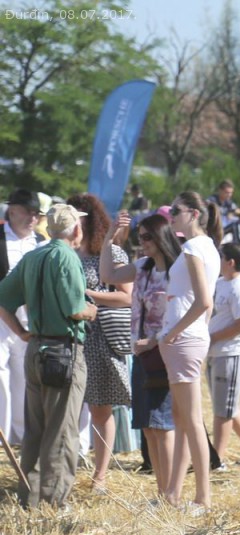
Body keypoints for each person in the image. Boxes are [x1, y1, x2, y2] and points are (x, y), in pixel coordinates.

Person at [0, 204, 96, 509]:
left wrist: (21, 332)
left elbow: (3, 298)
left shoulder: (33, 255)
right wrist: (92, 310)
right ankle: (53, 504)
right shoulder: (67, 257)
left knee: (36, 430)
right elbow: (75, 309)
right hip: (62, 352)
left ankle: (29, 497)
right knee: (62, 432)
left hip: (36, 349)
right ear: (76, 229)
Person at [106, 211, 177, 499]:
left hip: (164, 352)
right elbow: (108, 275)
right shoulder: (142, 267)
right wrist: (110, 238)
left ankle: (171, 494)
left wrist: (155, 341)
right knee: (147, 426)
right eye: (139, 236)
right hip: (141, 353)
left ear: (161, 237)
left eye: (147, 237)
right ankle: (162, 493)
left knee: (163, 425)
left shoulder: (177, 270)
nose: (142, 242)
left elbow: (184, 313)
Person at [159, 192, 222, 512]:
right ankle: (173, 492)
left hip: (183, 339)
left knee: (192, 420)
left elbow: (204, 301)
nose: (171, 216)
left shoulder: (195, 248)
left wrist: (173, 332)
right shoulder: (204, 247)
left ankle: (203, 497)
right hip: (189, 337)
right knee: (182, 417)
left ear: (194, 214)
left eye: (176, 210)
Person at [67, 193, 132, 495]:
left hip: (100, 340)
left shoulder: (111, 253)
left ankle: (100, 476)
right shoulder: (65, 253)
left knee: (100, 410)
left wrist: (89, 295)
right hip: (69, 338)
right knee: (68, 409)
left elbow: (128, 296)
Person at [0, 189, 47, 446]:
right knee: (1, 376)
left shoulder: (40, 242)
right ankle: (3, 437)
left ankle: (20, 436)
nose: (33, 218)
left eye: (36, 214)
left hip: (29, 318)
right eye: (28, 212)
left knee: (25, 376)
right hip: (1, 317)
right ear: (12, 210)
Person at [208, 243, 240, 468]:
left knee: (223, 410)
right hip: (217, 352)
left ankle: (217, 459)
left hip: (232, 352)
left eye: (220, 257)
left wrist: (213, 337)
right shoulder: (220, 282)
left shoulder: (239, 288)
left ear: (230, 262)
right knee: (227, 405)